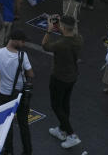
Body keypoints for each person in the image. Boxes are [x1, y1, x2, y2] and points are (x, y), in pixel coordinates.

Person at [0, 28, 34, 155]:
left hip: (4, 94)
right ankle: (27, 151)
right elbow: (31, 73)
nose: (23, 44)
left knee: (6, 125)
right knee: (23, 124)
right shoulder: (22, 56)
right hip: (20, 95)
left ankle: (9, 151)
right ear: (15, 41)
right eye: (22, 41)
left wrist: (1, 72)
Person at [42, 14, 82, 148]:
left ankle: (71, 134)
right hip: (72, 76)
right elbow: (68, 33)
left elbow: (45, 46)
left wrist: (49, 30)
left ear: (63, 27)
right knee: (65, 103)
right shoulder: (78, 39)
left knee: (56, 105)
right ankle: (62, 129)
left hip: (59, 77)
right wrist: (60, 26)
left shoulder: (60, 44)